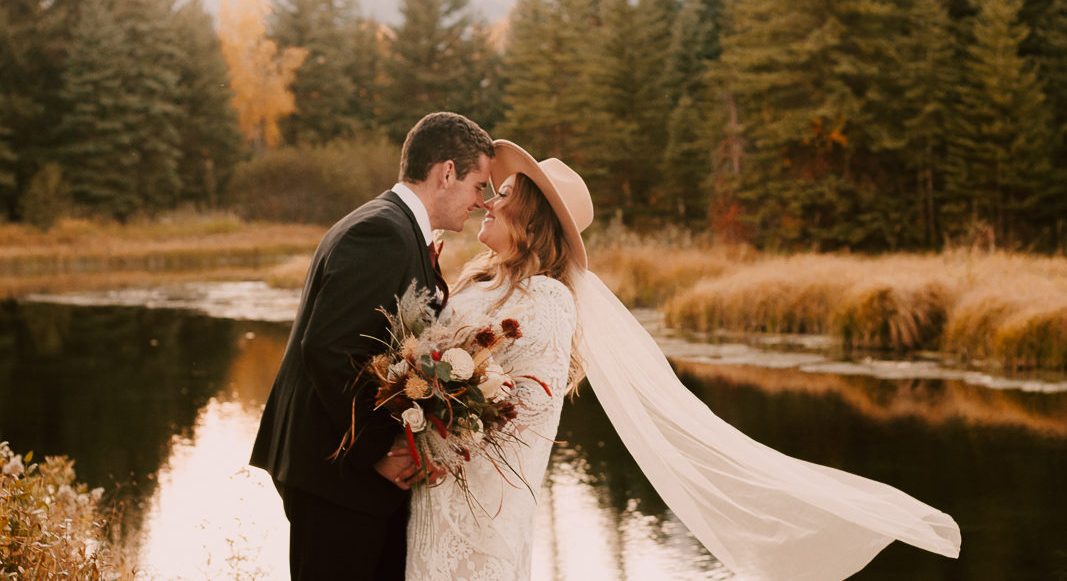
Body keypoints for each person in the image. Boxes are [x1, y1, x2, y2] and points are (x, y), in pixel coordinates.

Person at [406, 139, 961, 581]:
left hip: (480, 494)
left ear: (532, 217)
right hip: (430, 478)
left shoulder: (549, 301)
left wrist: (434, 423)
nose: (488, 200)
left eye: (503, 194)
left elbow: (522, 413)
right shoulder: (480, 276)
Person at [250, 111, 493, 580]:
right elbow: (328, 348)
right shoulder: (382, 231)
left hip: (340, 473)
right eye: (478, 185)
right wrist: (380, 450)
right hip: (335, 474)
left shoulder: (396, 226)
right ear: (447, 172)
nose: (480, 201)